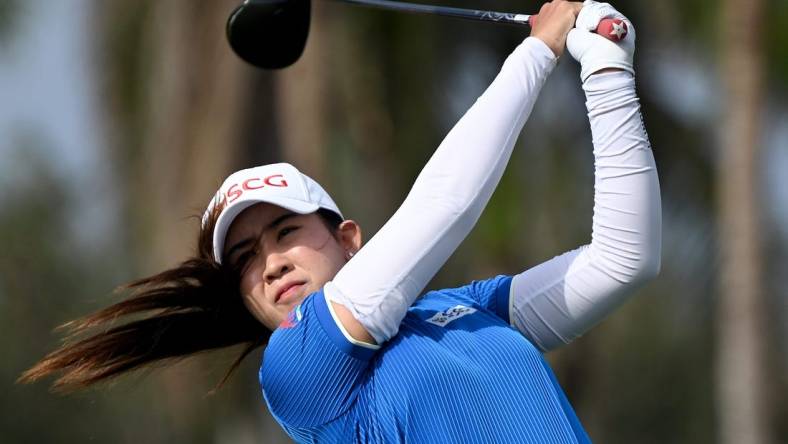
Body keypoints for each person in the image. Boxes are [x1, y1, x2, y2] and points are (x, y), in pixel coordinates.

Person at [20, 1, 661, 442]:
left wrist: (607, 68)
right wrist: (538, 50)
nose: (269, 263)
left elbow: (622, 261)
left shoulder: (464, 310)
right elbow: (444, 204)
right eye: (243, 260)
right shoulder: (299, 370)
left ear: (347, 239)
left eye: (285, 232)